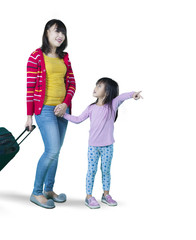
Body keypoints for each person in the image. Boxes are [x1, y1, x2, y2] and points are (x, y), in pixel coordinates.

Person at [63, 77, 142, 209]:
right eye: (96, 85)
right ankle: (89, 197)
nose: (95, 88)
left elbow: (122, 96)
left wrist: (133, 94)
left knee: (106, 171)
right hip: (93, 147)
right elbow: (77, 119)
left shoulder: (113, 105)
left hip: (108, 146)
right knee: (91, 171)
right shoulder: (91, 108)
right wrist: (63, 115)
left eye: (99, 86)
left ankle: (106, 195)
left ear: (107, 91)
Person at [25, 19, 76, 209]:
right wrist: (29, 116)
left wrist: (65, 104)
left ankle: (48, 190)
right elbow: (30, 88)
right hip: (44, 109)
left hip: (63, 110)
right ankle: (36, 192)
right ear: (47, 32)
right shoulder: (36, 57)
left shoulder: (65, 57)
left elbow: (72, 83)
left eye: (63, 32)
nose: (60, 36)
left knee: (56, 152)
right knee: (52, 150)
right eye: (56, 31)